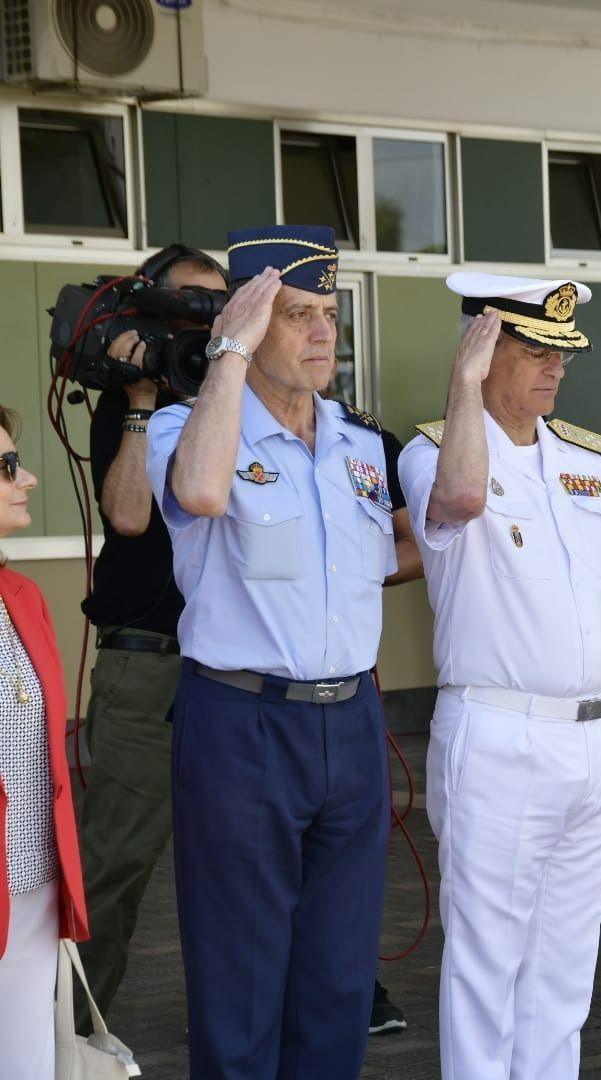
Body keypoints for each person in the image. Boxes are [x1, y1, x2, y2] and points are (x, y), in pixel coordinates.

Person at [146, 225, 397, 1077]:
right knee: (241, 982)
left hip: (352, 721)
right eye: (297, 316)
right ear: (249, 324)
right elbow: (203, 490)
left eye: (329, 314)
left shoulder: (361, 446)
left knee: (337, 983)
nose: (324, 333)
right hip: (243, 722)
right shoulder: (188, 424)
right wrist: (227, 357)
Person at [398, 273, 601, 1079]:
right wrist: (464, 387)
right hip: (500, 734)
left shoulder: (588, 464)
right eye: (534, 349)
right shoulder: (433, 452)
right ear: (481, 347)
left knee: (564, 972)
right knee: (486, 970)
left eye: (561, 354)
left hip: (593, 740)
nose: (554, 369)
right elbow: (463, 498)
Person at [74, 245, 225, 1027]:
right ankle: (68, 1033)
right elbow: (129, 516)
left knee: (255, 856)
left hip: (234, 673)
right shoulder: (126, 401)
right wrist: (140, 397)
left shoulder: (242, 394)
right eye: (188, 307)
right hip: (148, 663)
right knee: (115, 862)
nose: (200, 325)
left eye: (217, 306)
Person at [0, 410, 91, 1078]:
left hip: (33, 881)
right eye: (6, 467)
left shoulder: (22, 595)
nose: (26, 477)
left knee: (26, 1062)